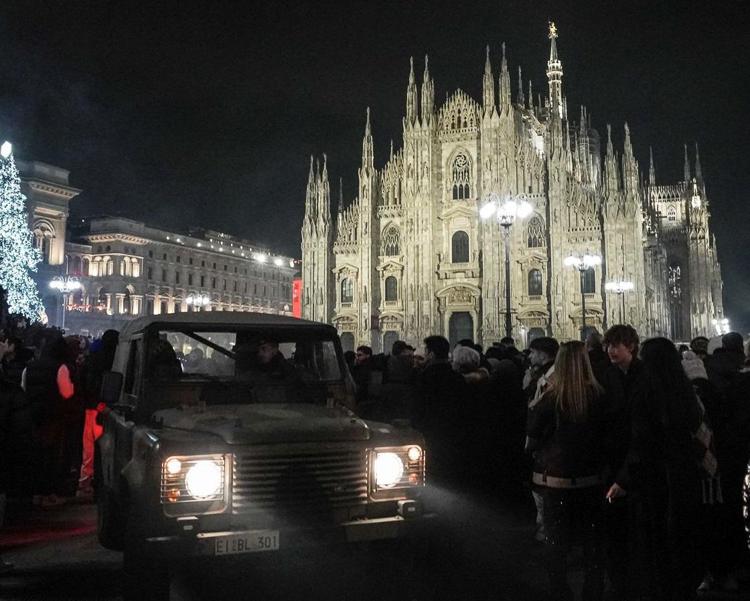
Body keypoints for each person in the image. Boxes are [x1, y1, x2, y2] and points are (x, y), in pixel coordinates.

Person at [620, 338, 704, 600]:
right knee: (684, 533)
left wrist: (623, 479)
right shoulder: (685, 390)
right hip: (684, 472)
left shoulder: (645, 391)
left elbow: (639, 440)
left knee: (656, 537)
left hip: (654, 475)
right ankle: (686, 587)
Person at [526, 341, 607, 600]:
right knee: (593, 541)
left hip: (557, 480)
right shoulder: (600, 395)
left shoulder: (550, 397)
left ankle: (560, 592)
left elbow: (531, 437)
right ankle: (593, 592)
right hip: (592, 479)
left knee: (556, 542)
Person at [600, 324, 644, 601]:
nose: (611, 350)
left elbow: (643, 432)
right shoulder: (608, 377)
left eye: (617, 345)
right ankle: (621, 583)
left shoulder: (645, 378)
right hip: (615, 464)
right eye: (608, 345)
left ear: (632, 347)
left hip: (636, 467)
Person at [22, 335, 75, 507]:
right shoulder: (60, 367)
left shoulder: (29, 367)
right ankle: (48, 493)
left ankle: (34, 493)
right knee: (52, 457)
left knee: (34, 455)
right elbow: (66, 392)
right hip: (53, 416)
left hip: (32, 416)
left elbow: (23, 389)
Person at [411, 335, 466, 485]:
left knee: (432, 473)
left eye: (427, 351)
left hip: (429, 434)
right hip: (454, 435)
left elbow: (418, 408)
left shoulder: (424, 378)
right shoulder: (458, 378)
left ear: (432, 354)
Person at [78, 329, 119, 496]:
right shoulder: (112, 360)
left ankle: (86, 481)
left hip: (91, 408)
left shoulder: (93, 359)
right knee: (102, 447)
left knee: (89, 449)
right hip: (103, 409)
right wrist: (102, 405)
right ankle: (97, 481)